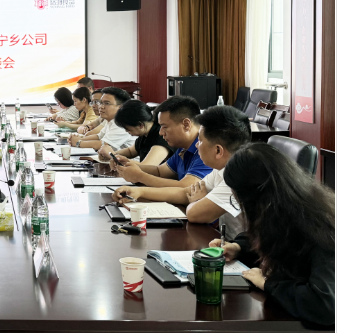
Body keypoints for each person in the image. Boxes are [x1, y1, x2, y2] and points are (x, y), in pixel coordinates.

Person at [209, 143, 334, 325]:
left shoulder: (321, 226)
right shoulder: (286, 210)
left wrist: (268, 283)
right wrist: (238, 247)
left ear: (257, 198)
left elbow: (325, 305)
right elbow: (269, 237)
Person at [112, 106, 250, 238]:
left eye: (200, 141)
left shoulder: (237, 176)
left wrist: (197, 200)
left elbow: (195, 214)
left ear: (218, 150)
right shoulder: (221, 169)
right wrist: (139, 192)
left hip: (243, 250)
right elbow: (186, 193)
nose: (197, 145)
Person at [110, 96, 211, 188]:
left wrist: (140, 177)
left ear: (186, 124)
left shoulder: (207, 148)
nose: (161, 132)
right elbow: (160, 171)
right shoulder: (183, 147)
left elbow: (186, 187)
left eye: (164, 127)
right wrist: (128, 165)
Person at [104, 100, 173, 165]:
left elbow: (147, 166)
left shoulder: (162, 136)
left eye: (128, 129)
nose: (126, 131)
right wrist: (112, 154)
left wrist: (114, 156)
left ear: (140, 125)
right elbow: (131, 151)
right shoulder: (145, 134)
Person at [69, 87, 135, 151]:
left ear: (120, 107)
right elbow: (98, 136)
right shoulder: (111, 121)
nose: (101, 107)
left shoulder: (122, 124)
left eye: (107, 103)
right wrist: (80, 139)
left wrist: (78, 143)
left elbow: (104, 144)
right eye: (101, 103)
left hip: (125, 158)